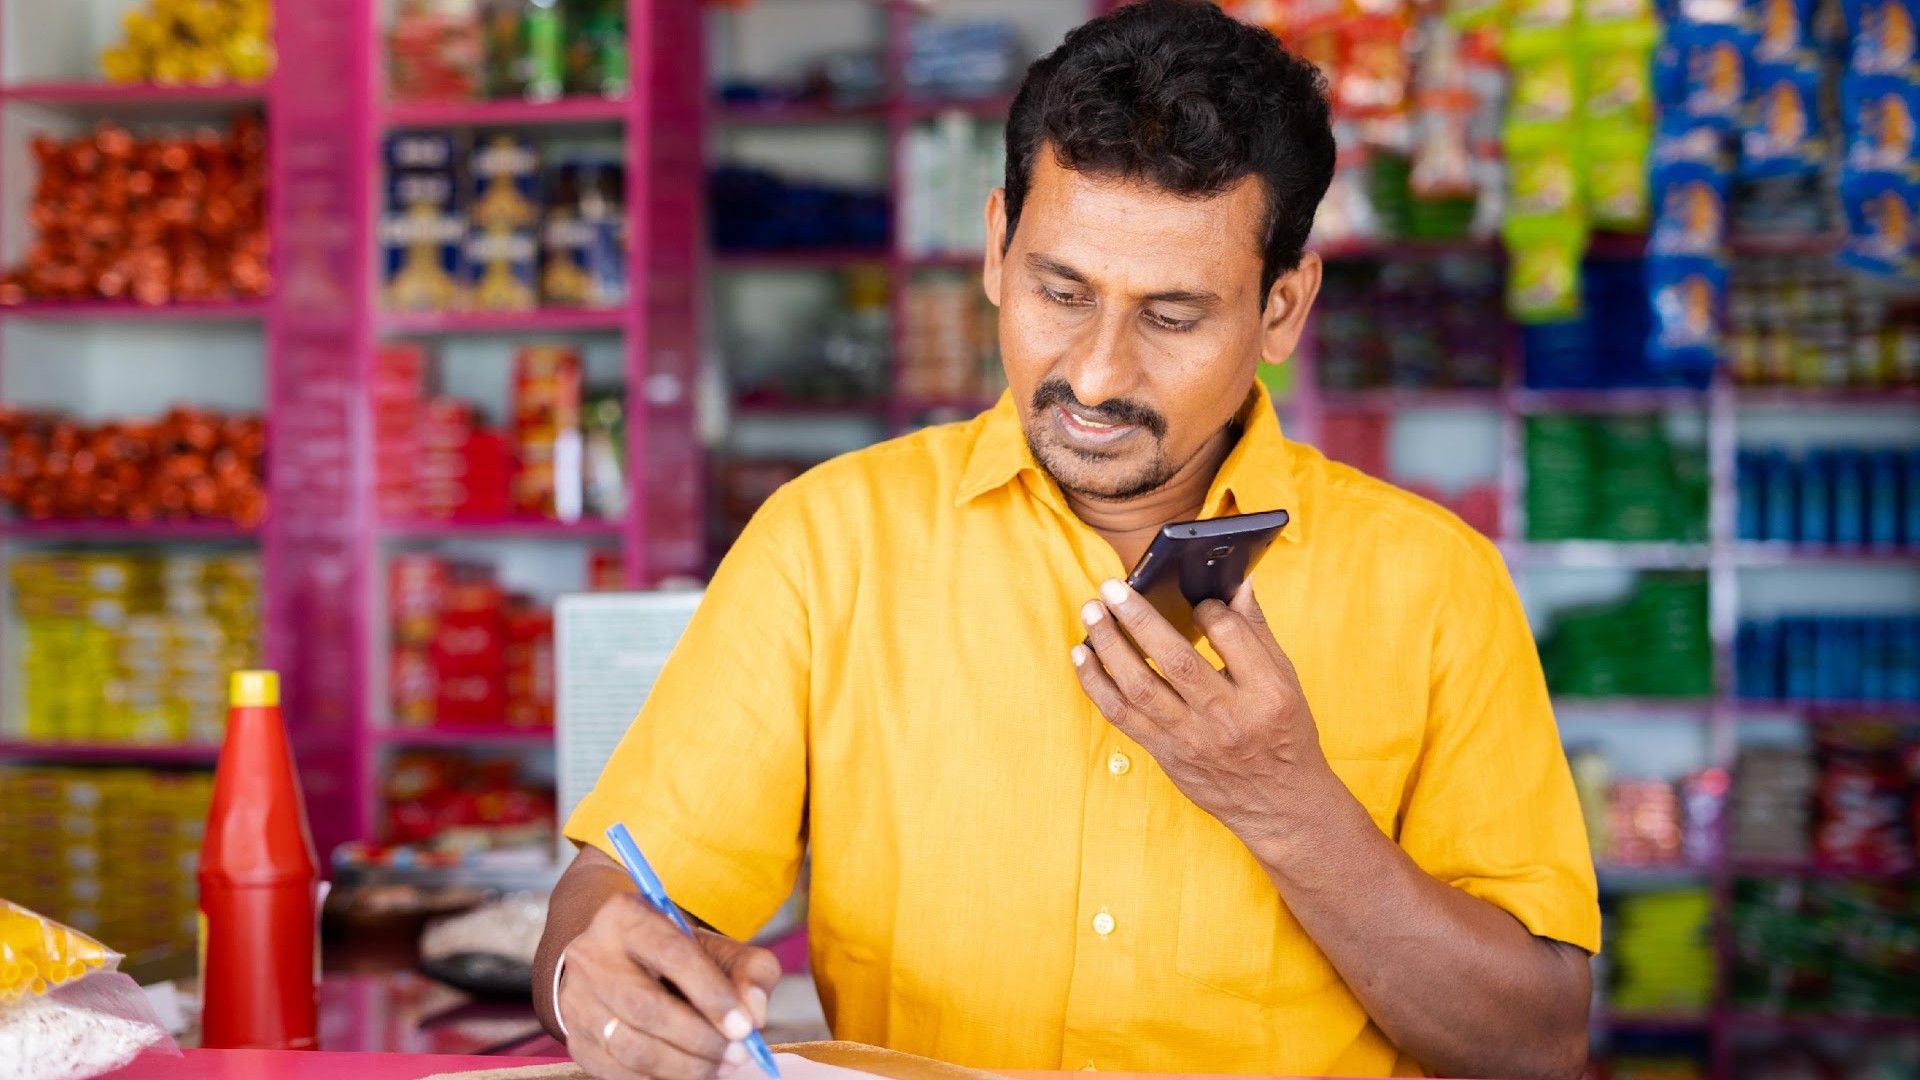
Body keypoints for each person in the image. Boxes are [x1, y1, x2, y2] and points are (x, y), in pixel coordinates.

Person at [536, 3, 1599, 1077]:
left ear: (1283, 308)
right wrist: (599, 978)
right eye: (1060, 291)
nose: (1095, 375)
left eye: (1172, 316)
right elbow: (608, 900)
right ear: (997, 247)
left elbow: (1537, 1044)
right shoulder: (831, 543)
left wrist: (1291, 810)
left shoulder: (1434, 585)